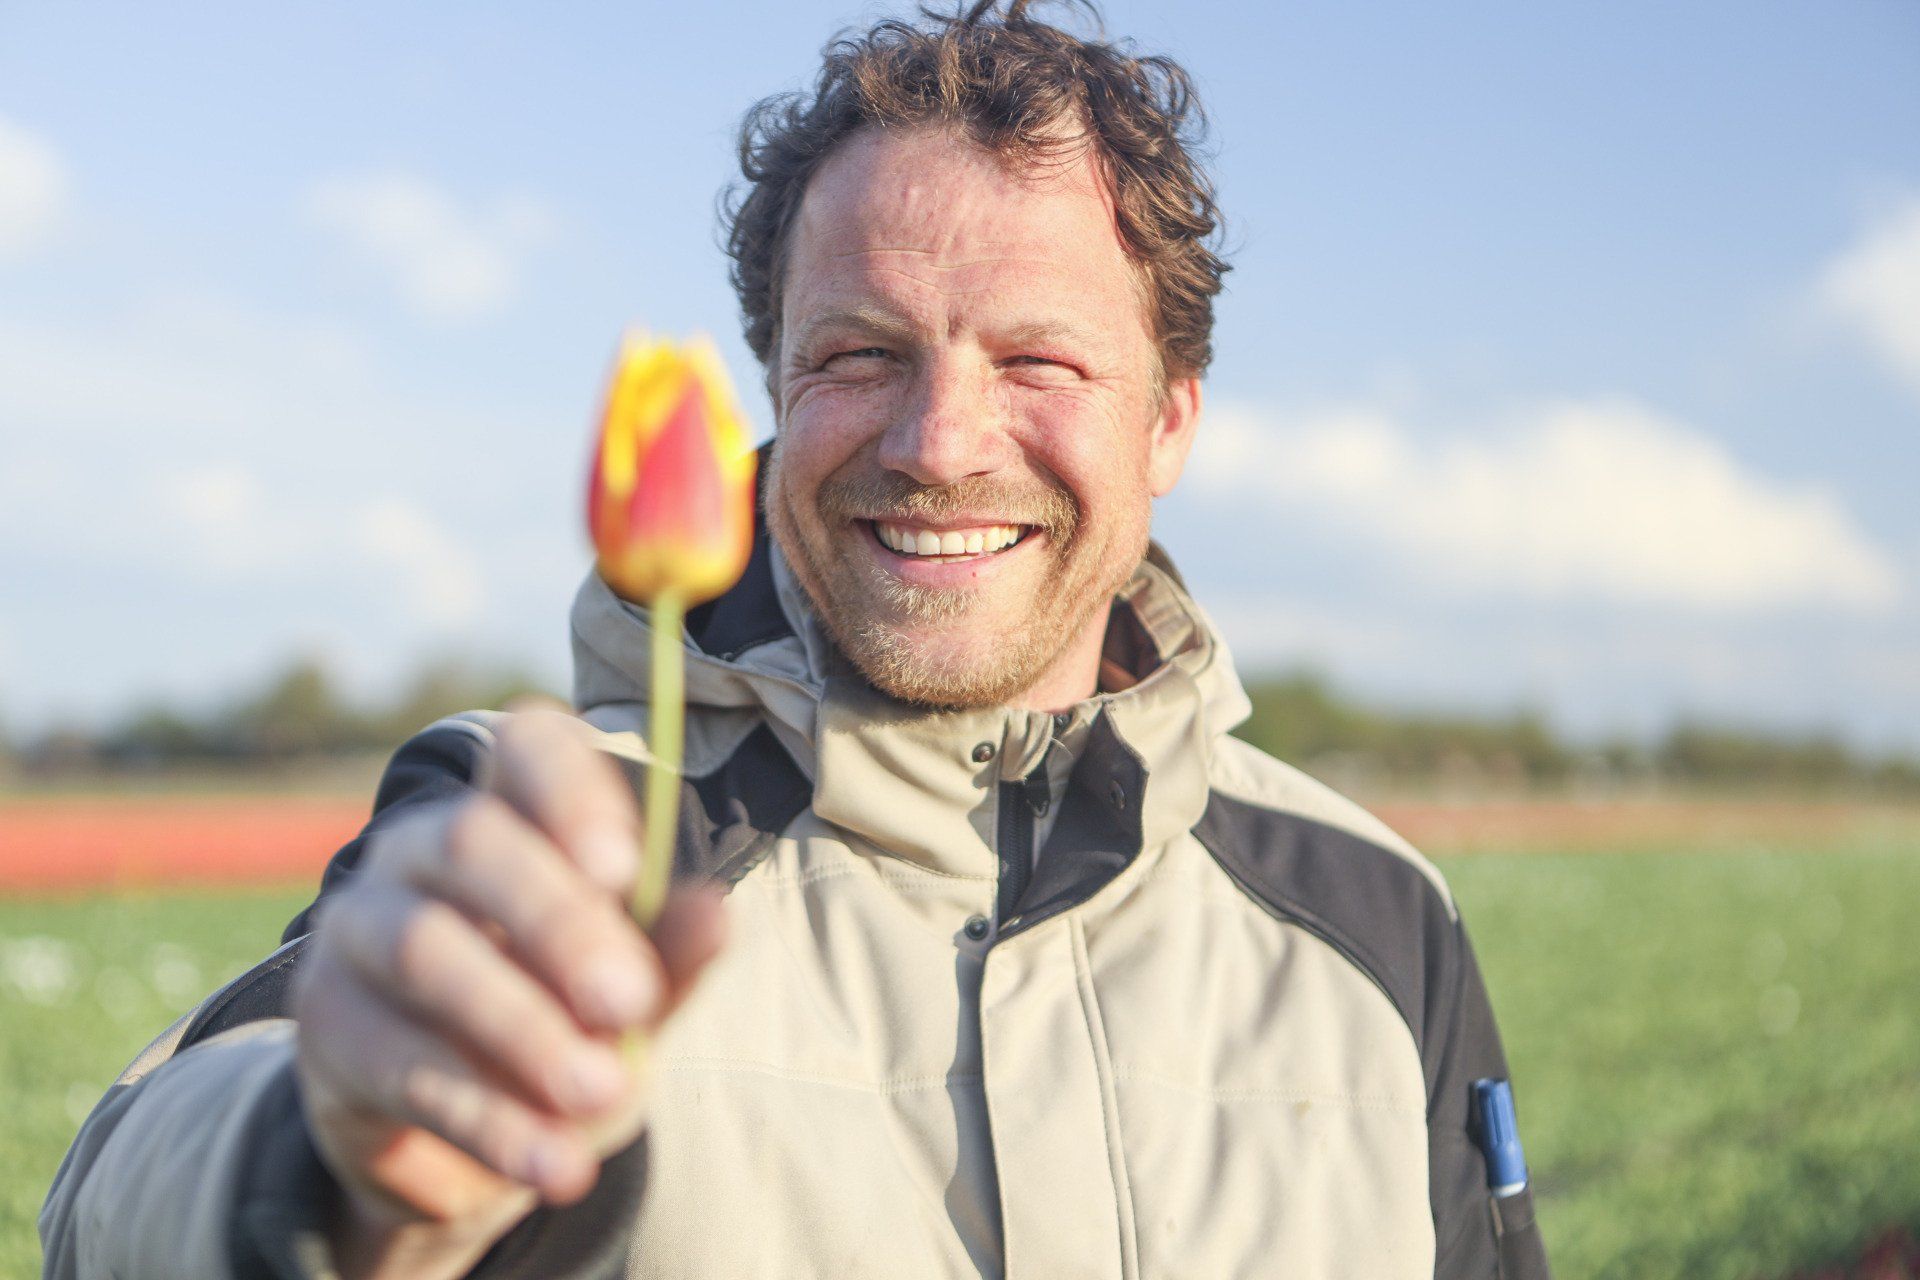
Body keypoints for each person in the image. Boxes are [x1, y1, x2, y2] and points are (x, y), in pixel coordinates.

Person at [42, 3, 1551, 1277]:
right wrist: (314, 1165)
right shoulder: (548, 831)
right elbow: (118, 1205)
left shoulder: (1377, 919)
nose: (940, 441)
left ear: (1169, 423)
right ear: (774, 387)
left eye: (1038, 360)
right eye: (858, 354)